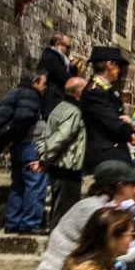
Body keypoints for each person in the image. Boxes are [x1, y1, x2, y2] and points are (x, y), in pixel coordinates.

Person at [34, 161, 135, 270]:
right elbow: (108, 252)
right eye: (132, 185)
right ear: (120, 186)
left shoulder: (103, 206)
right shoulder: (95, 210)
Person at [0, 71, 48, 234]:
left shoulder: (15, 92)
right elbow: (24, 117)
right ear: (34, 81)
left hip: (19, 146)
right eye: (43, 83)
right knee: (35, 183)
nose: (45, 87)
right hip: (30, 144)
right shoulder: (30, 94)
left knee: (18, 184)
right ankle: (30, 223)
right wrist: (17, 135)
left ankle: (12, 222)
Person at [36, 77, 88, 229]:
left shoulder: (58, 108)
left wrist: (44, 157)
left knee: (59, 213)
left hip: (59, 169)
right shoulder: (74, 111)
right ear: (79, 92)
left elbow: (45, 136)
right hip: (67, 170)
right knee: (65, 217)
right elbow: (59, 139)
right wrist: (45, 159)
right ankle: (57, 249)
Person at [81, 46, 135, 171]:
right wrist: (130, 128)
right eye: (118, 65)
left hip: (113, 152)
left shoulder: (107, 90)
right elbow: (114, 123)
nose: (119, 70)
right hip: (106, 154)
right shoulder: (96, 92)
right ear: (109, 64)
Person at [36, 33, 85, 119]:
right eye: (67, 47)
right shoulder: (51, 57)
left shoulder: (58, 58)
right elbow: (67, 79)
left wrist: (73, 67)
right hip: (51, 101)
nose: (69, 50)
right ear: (57, 44)